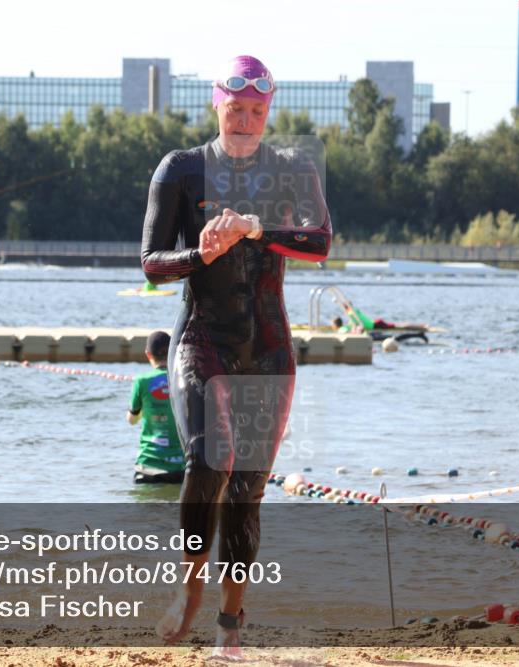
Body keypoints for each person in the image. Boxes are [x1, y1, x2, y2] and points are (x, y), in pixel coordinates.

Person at [140, 55, 331, 656]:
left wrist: (254, 229)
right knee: (208, 460)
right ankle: (189, 586)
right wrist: (200, 254)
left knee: (248, 490)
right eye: (235, 108)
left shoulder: (292, 168)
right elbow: (150, 264)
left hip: (269, 346)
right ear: (217, 105)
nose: (245, 120)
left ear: (267, 111)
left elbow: (320, 241)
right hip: (202, 339)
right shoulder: (181, 169)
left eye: (255, 110)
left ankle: (229, 623)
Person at [127, 331, 185, 484]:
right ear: (173, 352)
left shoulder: (141, 381)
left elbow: (132, 420)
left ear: (148, 354)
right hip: (180, 466)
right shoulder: (184, 379)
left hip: (148, 465)